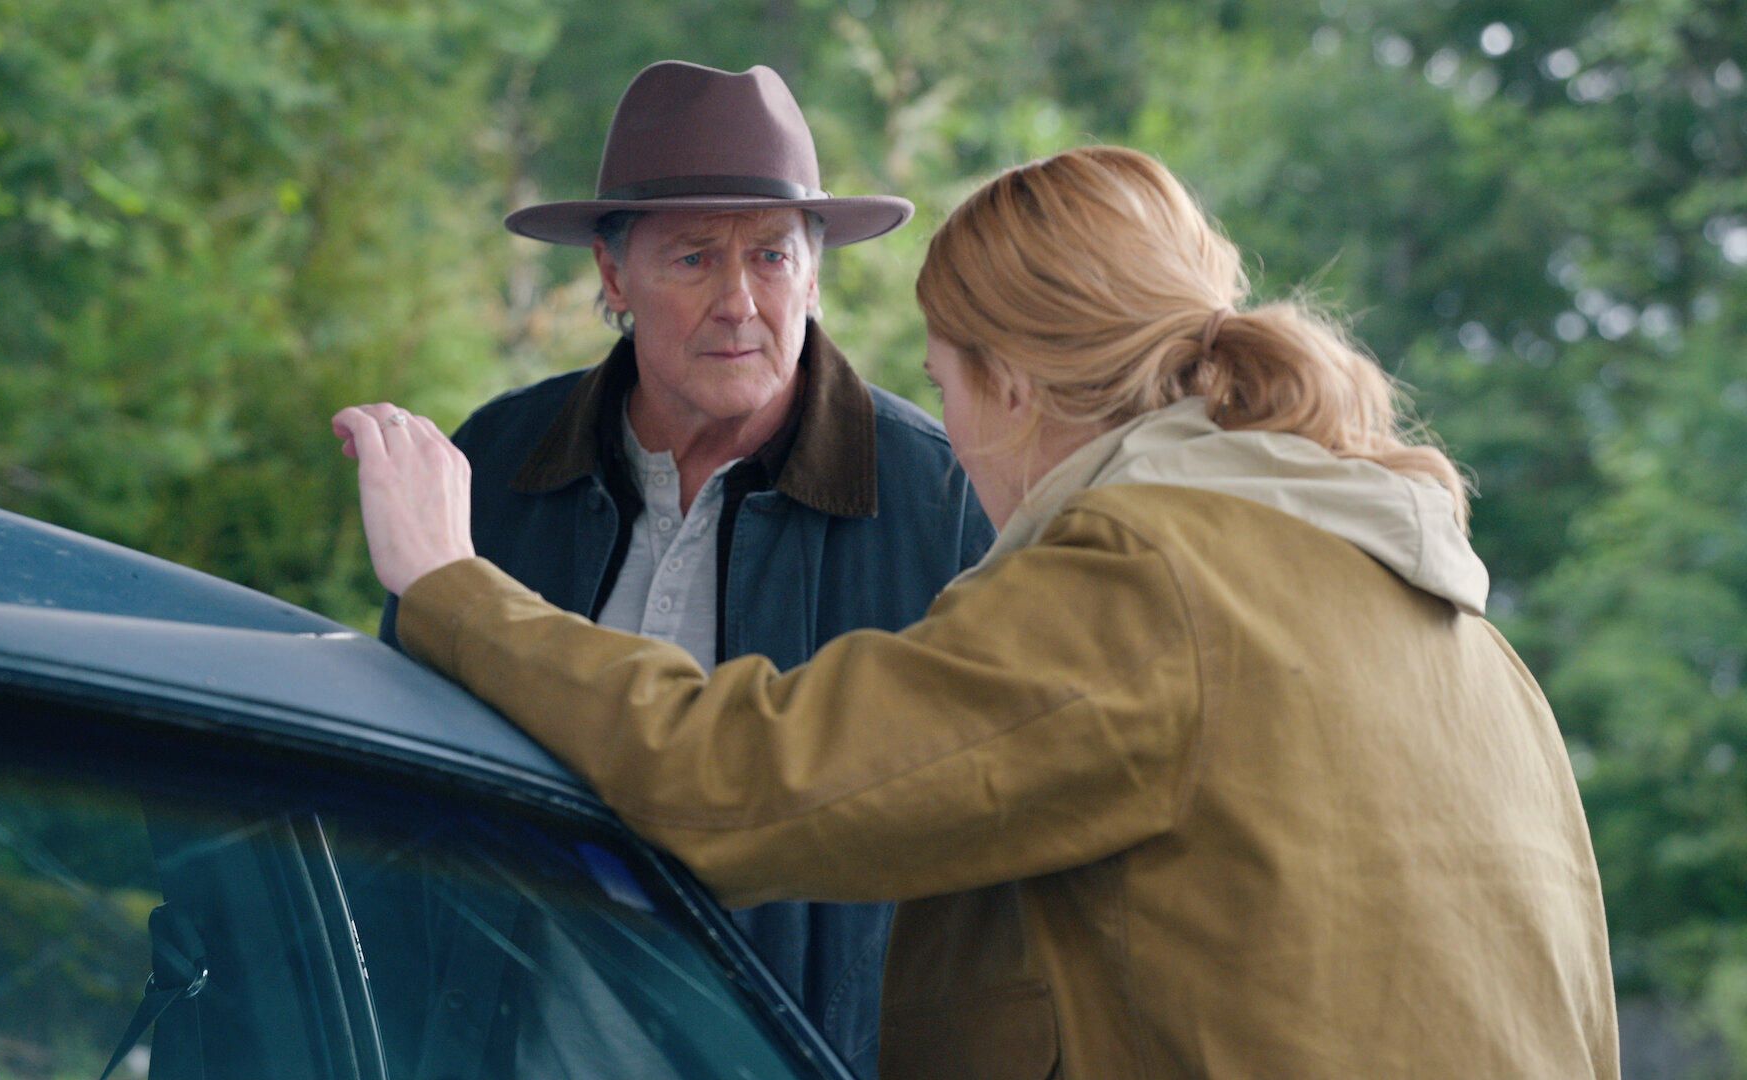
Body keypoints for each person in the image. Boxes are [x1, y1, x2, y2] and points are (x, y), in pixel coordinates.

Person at [336, 145, 1618, 1077]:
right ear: (615, 274)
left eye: (942, 385)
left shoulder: (1146, 583)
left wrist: (451, 589)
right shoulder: (1460, 630)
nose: (939, 434)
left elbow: (749, 782)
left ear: (1010, 386)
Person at [368, 60, 992, 1076]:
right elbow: (399, 784)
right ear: (612, 277)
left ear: (817, 271)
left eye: (774, 257)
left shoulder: (939, 499)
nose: (740, 302)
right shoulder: (501, 464)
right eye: (695, 258)